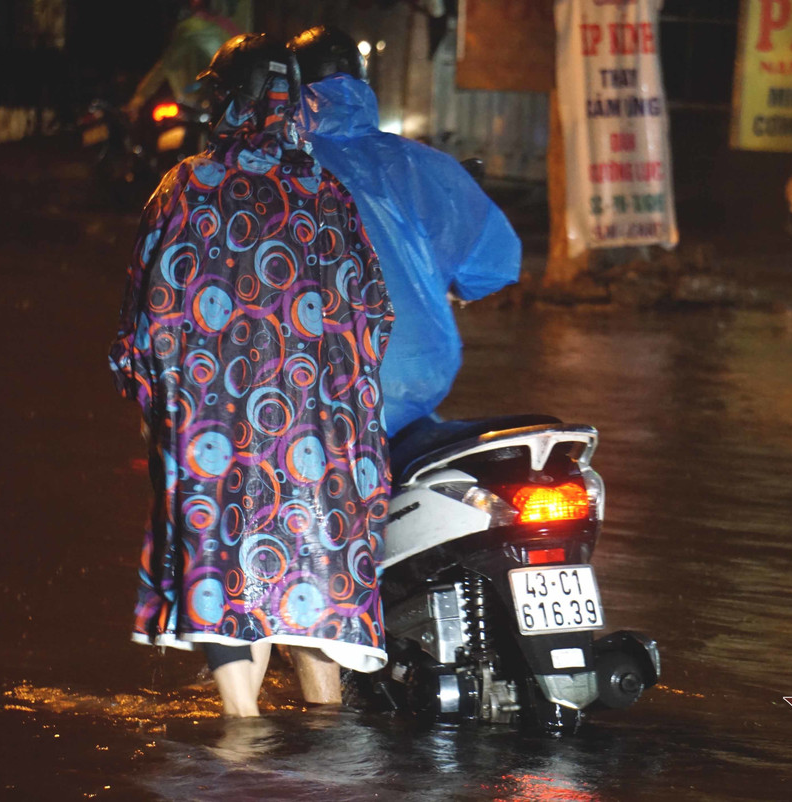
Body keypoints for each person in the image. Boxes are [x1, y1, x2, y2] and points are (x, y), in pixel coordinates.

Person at [108, 33, 394, 717]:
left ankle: (244, 750)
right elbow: (374, 320)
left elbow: (140, 334)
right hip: (318, 456)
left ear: (226, 101)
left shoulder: (186, 189)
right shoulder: (327, 193)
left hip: (218, 451)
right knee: (317, 597)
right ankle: (327, 733)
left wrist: (167, 414)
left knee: (229, 594)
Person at [290, 26, 521, 436]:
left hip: (317, 384)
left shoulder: (274, 172)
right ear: (363, 84)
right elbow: (495, 265)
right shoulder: (422, 163)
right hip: (423, 375)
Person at [123, 0, 242, 119]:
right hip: (227, 101)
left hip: (201, 101)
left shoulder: (189, 28)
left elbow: (165, 65)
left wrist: (138, 99)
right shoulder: (227, 28)